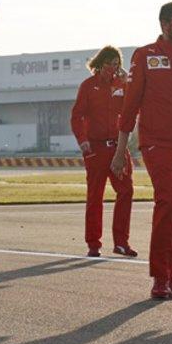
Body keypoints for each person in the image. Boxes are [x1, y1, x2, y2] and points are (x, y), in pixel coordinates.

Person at [113, 2, 172, 300]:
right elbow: (130, 104)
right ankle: (159, 278)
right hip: (156, 143)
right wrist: (120, 151)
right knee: (168, 202)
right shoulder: (145, 55)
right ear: (164, 24)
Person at [71, 46, 135, 258]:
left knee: (126, 191)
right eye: (109, 63)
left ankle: (121, 242)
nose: (113, 68)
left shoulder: (121, 85)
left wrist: (128, 84)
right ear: (100, 64)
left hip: (118, 147)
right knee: (95, 195)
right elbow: (77, 116)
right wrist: (83, 141)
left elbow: (132, 109)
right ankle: (93, 243)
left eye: (117, 64)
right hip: (96, 149)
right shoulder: (88, 86)